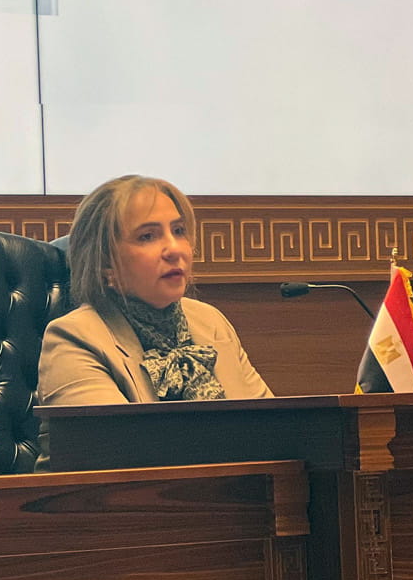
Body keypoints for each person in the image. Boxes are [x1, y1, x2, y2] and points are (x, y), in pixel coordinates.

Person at [37, 174, 273, 407]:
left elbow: (271, 423)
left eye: (178, 231)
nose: (174, 249)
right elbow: (117, 434)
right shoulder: (74, 340)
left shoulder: (211, 322)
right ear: (104, 262)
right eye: (147, 236)